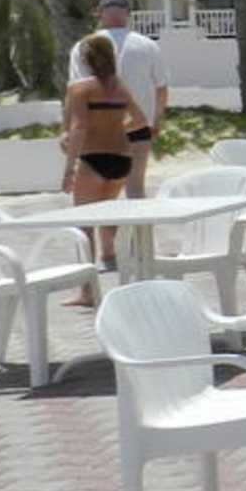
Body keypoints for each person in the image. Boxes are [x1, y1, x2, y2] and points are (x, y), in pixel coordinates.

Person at [67, 0, 170, 268]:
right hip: (137, 128)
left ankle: (101, 258)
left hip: (98, 133)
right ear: (128, 13)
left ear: (100, 13)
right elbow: (161, 89)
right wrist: (156, 121)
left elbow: (77, 91)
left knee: (91, 201)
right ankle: (139, 252)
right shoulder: (147, 46)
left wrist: (70, 132)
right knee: (134, 191)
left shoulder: (85, 46)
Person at [60, 33, 149, 297]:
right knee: (106, 216)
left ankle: (87, 292)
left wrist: (69, 168)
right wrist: (116, 127)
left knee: (84, 226)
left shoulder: (79, 88)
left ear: (85, 60)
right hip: (121, 158)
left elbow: (79, 127)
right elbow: (140, 121)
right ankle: (122, 273)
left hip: (93, 158)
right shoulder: (120, 87)